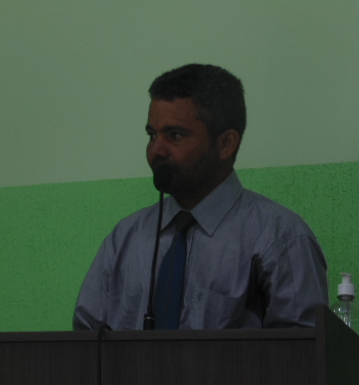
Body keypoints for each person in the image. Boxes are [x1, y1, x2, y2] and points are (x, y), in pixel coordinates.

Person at [73, 64, 328, 331]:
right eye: (152, 135)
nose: (156, 150)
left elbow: (302, 351)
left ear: (225, 143)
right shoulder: (124, 239)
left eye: (175, 135)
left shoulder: (280, 238)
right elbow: (86, 343)